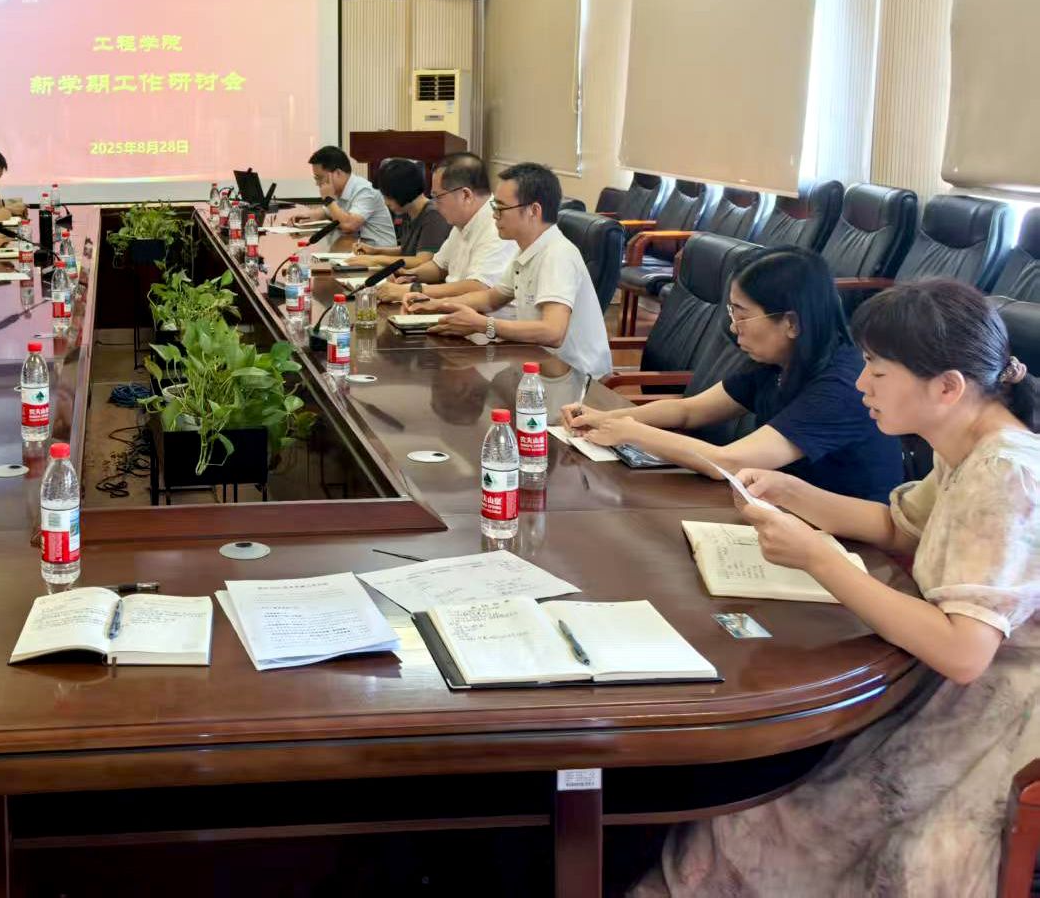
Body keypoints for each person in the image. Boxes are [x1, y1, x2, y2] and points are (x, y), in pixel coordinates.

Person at [634, 279, 1040, 898]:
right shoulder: (968, 441)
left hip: (995, 713)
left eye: (878, 370)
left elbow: (965, 652)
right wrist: (796, 494)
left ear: (947, 387)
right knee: (772, 788)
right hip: (937, 674)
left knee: (790, 807)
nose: (861, 384)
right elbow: (903, 526)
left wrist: (822, 560)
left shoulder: (1006, 473)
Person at [562, 248, 905, 501]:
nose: (732, 326)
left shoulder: (841, 385)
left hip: (851, 545)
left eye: (742, 315)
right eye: (731, 312)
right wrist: (605, 418)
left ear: (791, 323)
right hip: (782, 509)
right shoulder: (779, 360)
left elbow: (729, 461)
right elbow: (689, 410)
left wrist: (632, 433)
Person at [407, 161, 612, 379]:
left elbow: (553, 332)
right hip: (539, 366)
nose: (494, 215)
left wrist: (484, 325)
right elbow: (491, 298)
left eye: (501, 208)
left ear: (533, 210)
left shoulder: (557, 255)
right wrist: (436, 305)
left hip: (576, 379)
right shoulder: (526, 250)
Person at [376, 152, 515, 301]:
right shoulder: (462, 221)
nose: (435, 204)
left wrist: (413, 289)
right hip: (454, 307)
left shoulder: (497, 226)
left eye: (438, 197)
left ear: (465, 195)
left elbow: (479, 286)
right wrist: (408, 275)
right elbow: (439, 266)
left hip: (479, 314)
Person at [281, 145, 398, 248]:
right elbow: (325, 212)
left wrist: (328, 200)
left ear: (337, 173)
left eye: (320, 178)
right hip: (356, 249)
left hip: (379, 254)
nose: (317, 183)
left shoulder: (365, 191)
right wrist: (305, 217)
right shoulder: (339, 190)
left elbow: (349, 225)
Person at [346, 158, 453, 265]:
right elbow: (407, 250)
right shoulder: (408, 212)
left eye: (387, 197)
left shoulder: (433, 215)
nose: (386, 203)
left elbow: (422, 260)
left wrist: (375, 259)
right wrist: (376, 251)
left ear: (401, 192)